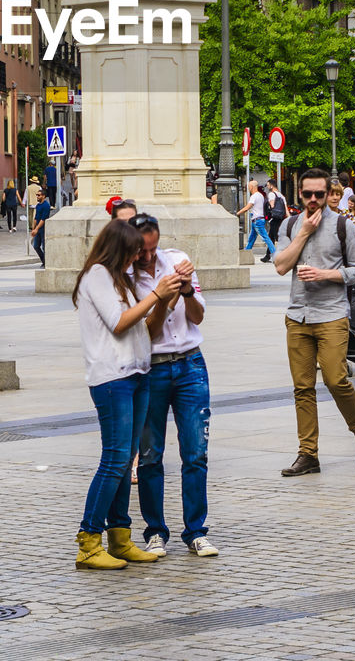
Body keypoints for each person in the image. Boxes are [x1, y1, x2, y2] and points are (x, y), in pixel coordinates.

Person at [71, 217, 182, 570]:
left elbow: (143, 325)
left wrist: (164, 299)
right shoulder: (98, 276)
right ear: (119, 248)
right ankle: (89, 541)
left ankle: (120, 536)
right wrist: (155, 294)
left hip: (137, 373)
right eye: (134, 252)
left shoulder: (122, 279)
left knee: (126, 459)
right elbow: (119, 322)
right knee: (115, 459)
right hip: (111, 377)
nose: (139, 258)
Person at [274, 167, 355, 476]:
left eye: (320, 194)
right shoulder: (291, 224)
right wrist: (303, 232)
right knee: (302, 387)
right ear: (300, 195)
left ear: (329, 193)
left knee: (335, 379)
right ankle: (308, 454)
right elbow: (280, 266)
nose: (315, 199)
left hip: (331, 313)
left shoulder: (342, 226)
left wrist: (326, 275)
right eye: (309, 194)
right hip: (298, 315)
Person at [131, 212, 218, 558]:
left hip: (190, 363)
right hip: (151, 368)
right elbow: (147, 332)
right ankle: (155, 531)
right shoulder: (125, 278)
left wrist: (185, 291)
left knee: (195, 451)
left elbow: (197, 316)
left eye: (153, 248)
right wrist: (162, 296)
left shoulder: (178, 262)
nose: (149, 257)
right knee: (150, 455)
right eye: (142, 251)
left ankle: (196, 530)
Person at [237, 179, 276, 259]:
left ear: (252, 187)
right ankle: (246, 253)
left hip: (257, 220)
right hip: (258, 219)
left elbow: (247, 207)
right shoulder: (260, 195)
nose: (248, 188)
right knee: (252, 238)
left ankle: (276, 254)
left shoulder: (254, 196)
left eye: (248, 187)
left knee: (265, 238)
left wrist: (237, 213)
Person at [261, 178, 288, 264]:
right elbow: (285, 208)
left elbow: (272, 206)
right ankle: (267, 255)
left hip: (274, 218)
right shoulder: (281, 195)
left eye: (268, 185)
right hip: (280, 218)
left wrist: (268, 205)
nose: (268, 186)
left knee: (276, 237)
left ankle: (282, 255)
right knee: (271, 237)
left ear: (272, 186)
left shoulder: (272, 194)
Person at [31, 188, 50, 266]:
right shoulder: (38, 205)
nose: (37, 197)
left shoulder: (46, 205)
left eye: (39, 195)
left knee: (44, 247)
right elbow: (36, 217)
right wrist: (33, 229)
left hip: (43, 228)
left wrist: (36, 229)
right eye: (37, 195)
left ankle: (46, 263)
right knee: (36, 246)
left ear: (43, 196)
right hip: (38, 229)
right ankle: (44, 261)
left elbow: (43, 219)